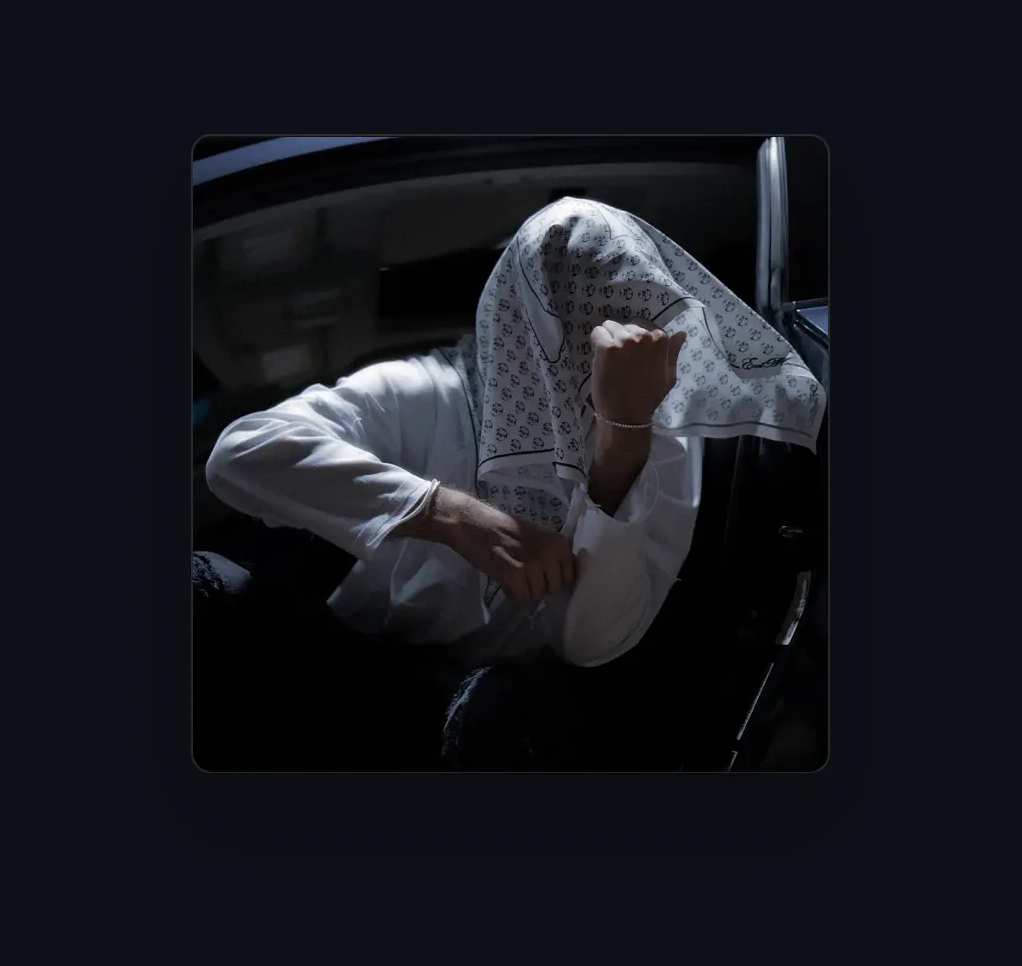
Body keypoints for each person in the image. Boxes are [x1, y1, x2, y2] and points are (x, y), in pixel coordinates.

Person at [201, 197, 825, 767]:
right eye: (577, 332)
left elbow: (593, 642)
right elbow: (240, 454)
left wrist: (620, 447)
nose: (599, 363)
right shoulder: (430, 392)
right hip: (355, 657)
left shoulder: (658, 440)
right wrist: (450, 515)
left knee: (505, 715)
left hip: (480, 713)